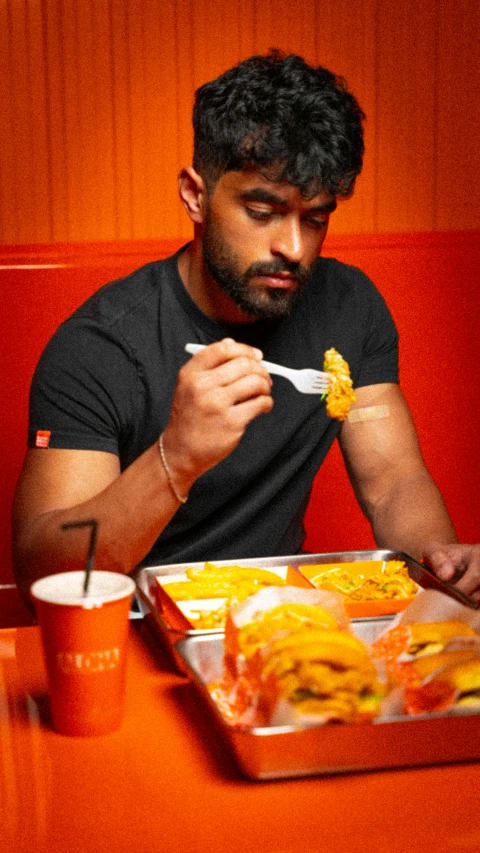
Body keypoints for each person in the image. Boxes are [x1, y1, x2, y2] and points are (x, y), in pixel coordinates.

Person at [12, 49, 480, 603]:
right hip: (138, 635)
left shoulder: (348, 307)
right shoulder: (102, 345)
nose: (293, 247)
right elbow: (42, 566)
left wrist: (442, 569)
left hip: (284, 619)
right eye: (263, 212)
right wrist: (177, 457)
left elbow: (394, 482)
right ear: (196, 195)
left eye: (316, 218)